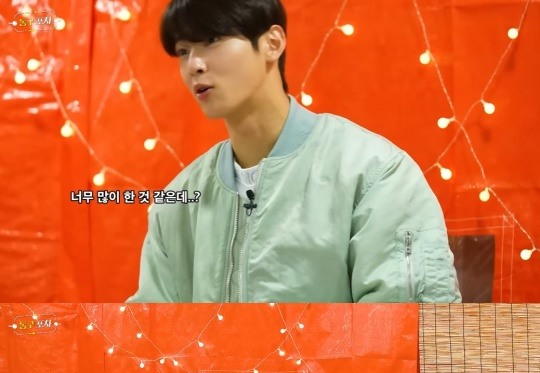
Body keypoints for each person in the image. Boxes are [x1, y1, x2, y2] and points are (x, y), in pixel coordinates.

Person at [126, 0, 461, 304]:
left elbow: (406, 330)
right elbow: (152, 337)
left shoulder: (372, 173)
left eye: (212, 40)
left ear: (272, 43)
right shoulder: (178, 202)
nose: (194, 65)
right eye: (183, 51)